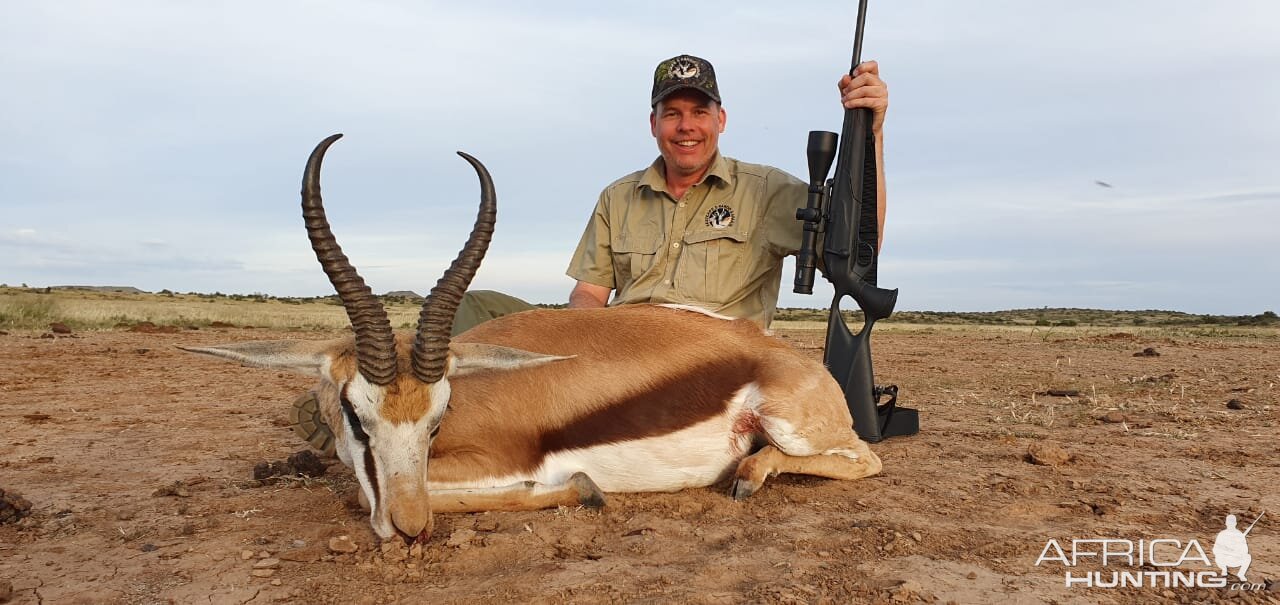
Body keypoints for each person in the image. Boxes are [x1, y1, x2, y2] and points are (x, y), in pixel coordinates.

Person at [290, 54, 891, 453]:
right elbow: (589, 294)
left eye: (698, 112)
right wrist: (574, 345)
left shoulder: (767, 190)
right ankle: (387, 411)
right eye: (672, 113)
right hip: (624, 341)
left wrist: (873, 130)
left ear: (721, 119)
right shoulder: (619, 194)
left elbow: (861, 243)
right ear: (653, 122)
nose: (686, 127)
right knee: (471, 307)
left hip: (705, 355)